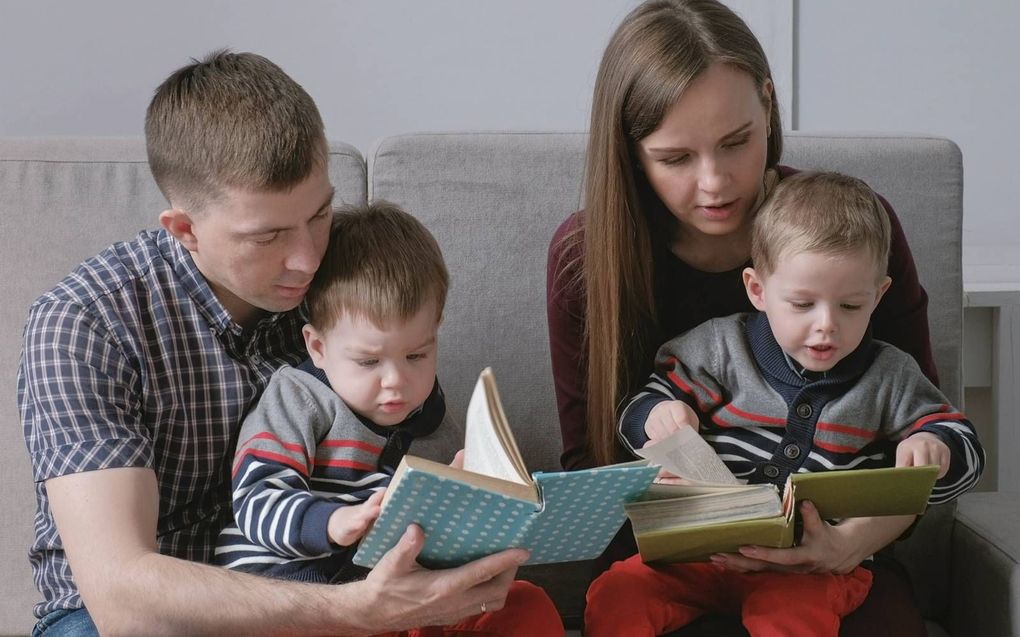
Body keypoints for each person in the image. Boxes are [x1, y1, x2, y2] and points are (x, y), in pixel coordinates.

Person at [19, 51, 532, 636]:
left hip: (314, 591)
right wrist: (360, 611)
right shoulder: (86, 323)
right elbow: (123, 599)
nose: (308, 258)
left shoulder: (339, 280)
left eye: (319, 215)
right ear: (184, 230)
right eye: (269, 236)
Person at [546, 0, 943, 633]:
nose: (715, 183)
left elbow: (920, 439)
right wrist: (660, 456)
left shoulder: (852, 233)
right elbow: (588, 463)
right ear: (631, 154)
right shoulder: (586, 259)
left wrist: (847, 545)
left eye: (737, 141)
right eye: (675, 158)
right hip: (669, 557)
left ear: (768, 104)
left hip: (837, 552)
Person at [582, 171, 985, 637]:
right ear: (757, 290)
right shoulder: (718, 349)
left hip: (812, 567)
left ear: (879, 295)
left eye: (851, 306)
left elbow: (964, 445)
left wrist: (936, 447)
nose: (826, 327)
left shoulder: (889, 376)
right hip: (698, 554)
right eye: (801, 304)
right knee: (619, 593)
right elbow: (639, 409)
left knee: (791, 616)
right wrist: (659, 416)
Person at [213, 202, 562, 635]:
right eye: (368, 361)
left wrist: (469, 507)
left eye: (417, 355)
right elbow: (256, 500)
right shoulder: (298, 398)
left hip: (392, 594)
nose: (396, 381)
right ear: (317, 347)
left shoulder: (431, 418)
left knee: (526, 606)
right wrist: (331, 522)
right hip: (289, 588)